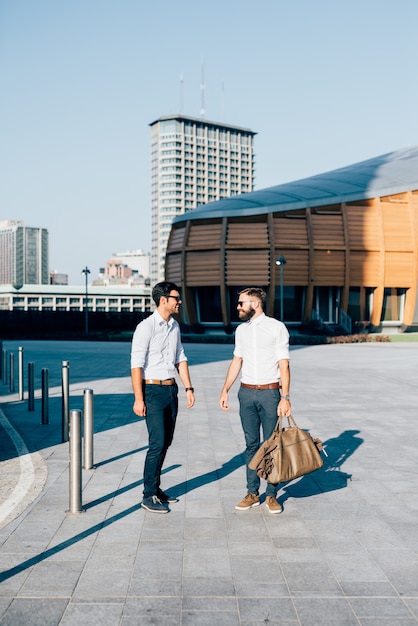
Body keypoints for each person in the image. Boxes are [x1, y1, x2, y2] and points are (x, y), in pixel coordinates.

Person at [219, 287, 291, 514]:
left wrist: (285, 397)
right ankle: (252, 492)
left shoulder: (277, 328)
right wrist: (225, 389)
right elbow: (236, 361)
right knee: (251, 445)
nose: (238, 307)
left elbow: (284, 365)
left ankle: (271, 494)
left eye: (241, 303)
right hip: (246, 393)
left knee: (271, 445)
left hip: (270, 394)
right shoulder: (241, 331)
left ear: (255, 304)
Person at [131, 281, 195, 513]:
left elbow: (180, 356)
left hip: (171, 390)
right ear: (163, 300)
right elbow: (136, 365)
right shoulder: (146, 327)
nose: (179, 301)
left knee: (166, 441)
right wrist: (139, 399)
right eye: (176, 298)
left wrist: (188, 387)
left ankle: (156, 489)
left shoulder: (174, 326)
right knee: (157, 443)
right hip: (152, 391)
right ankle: (148, 495)